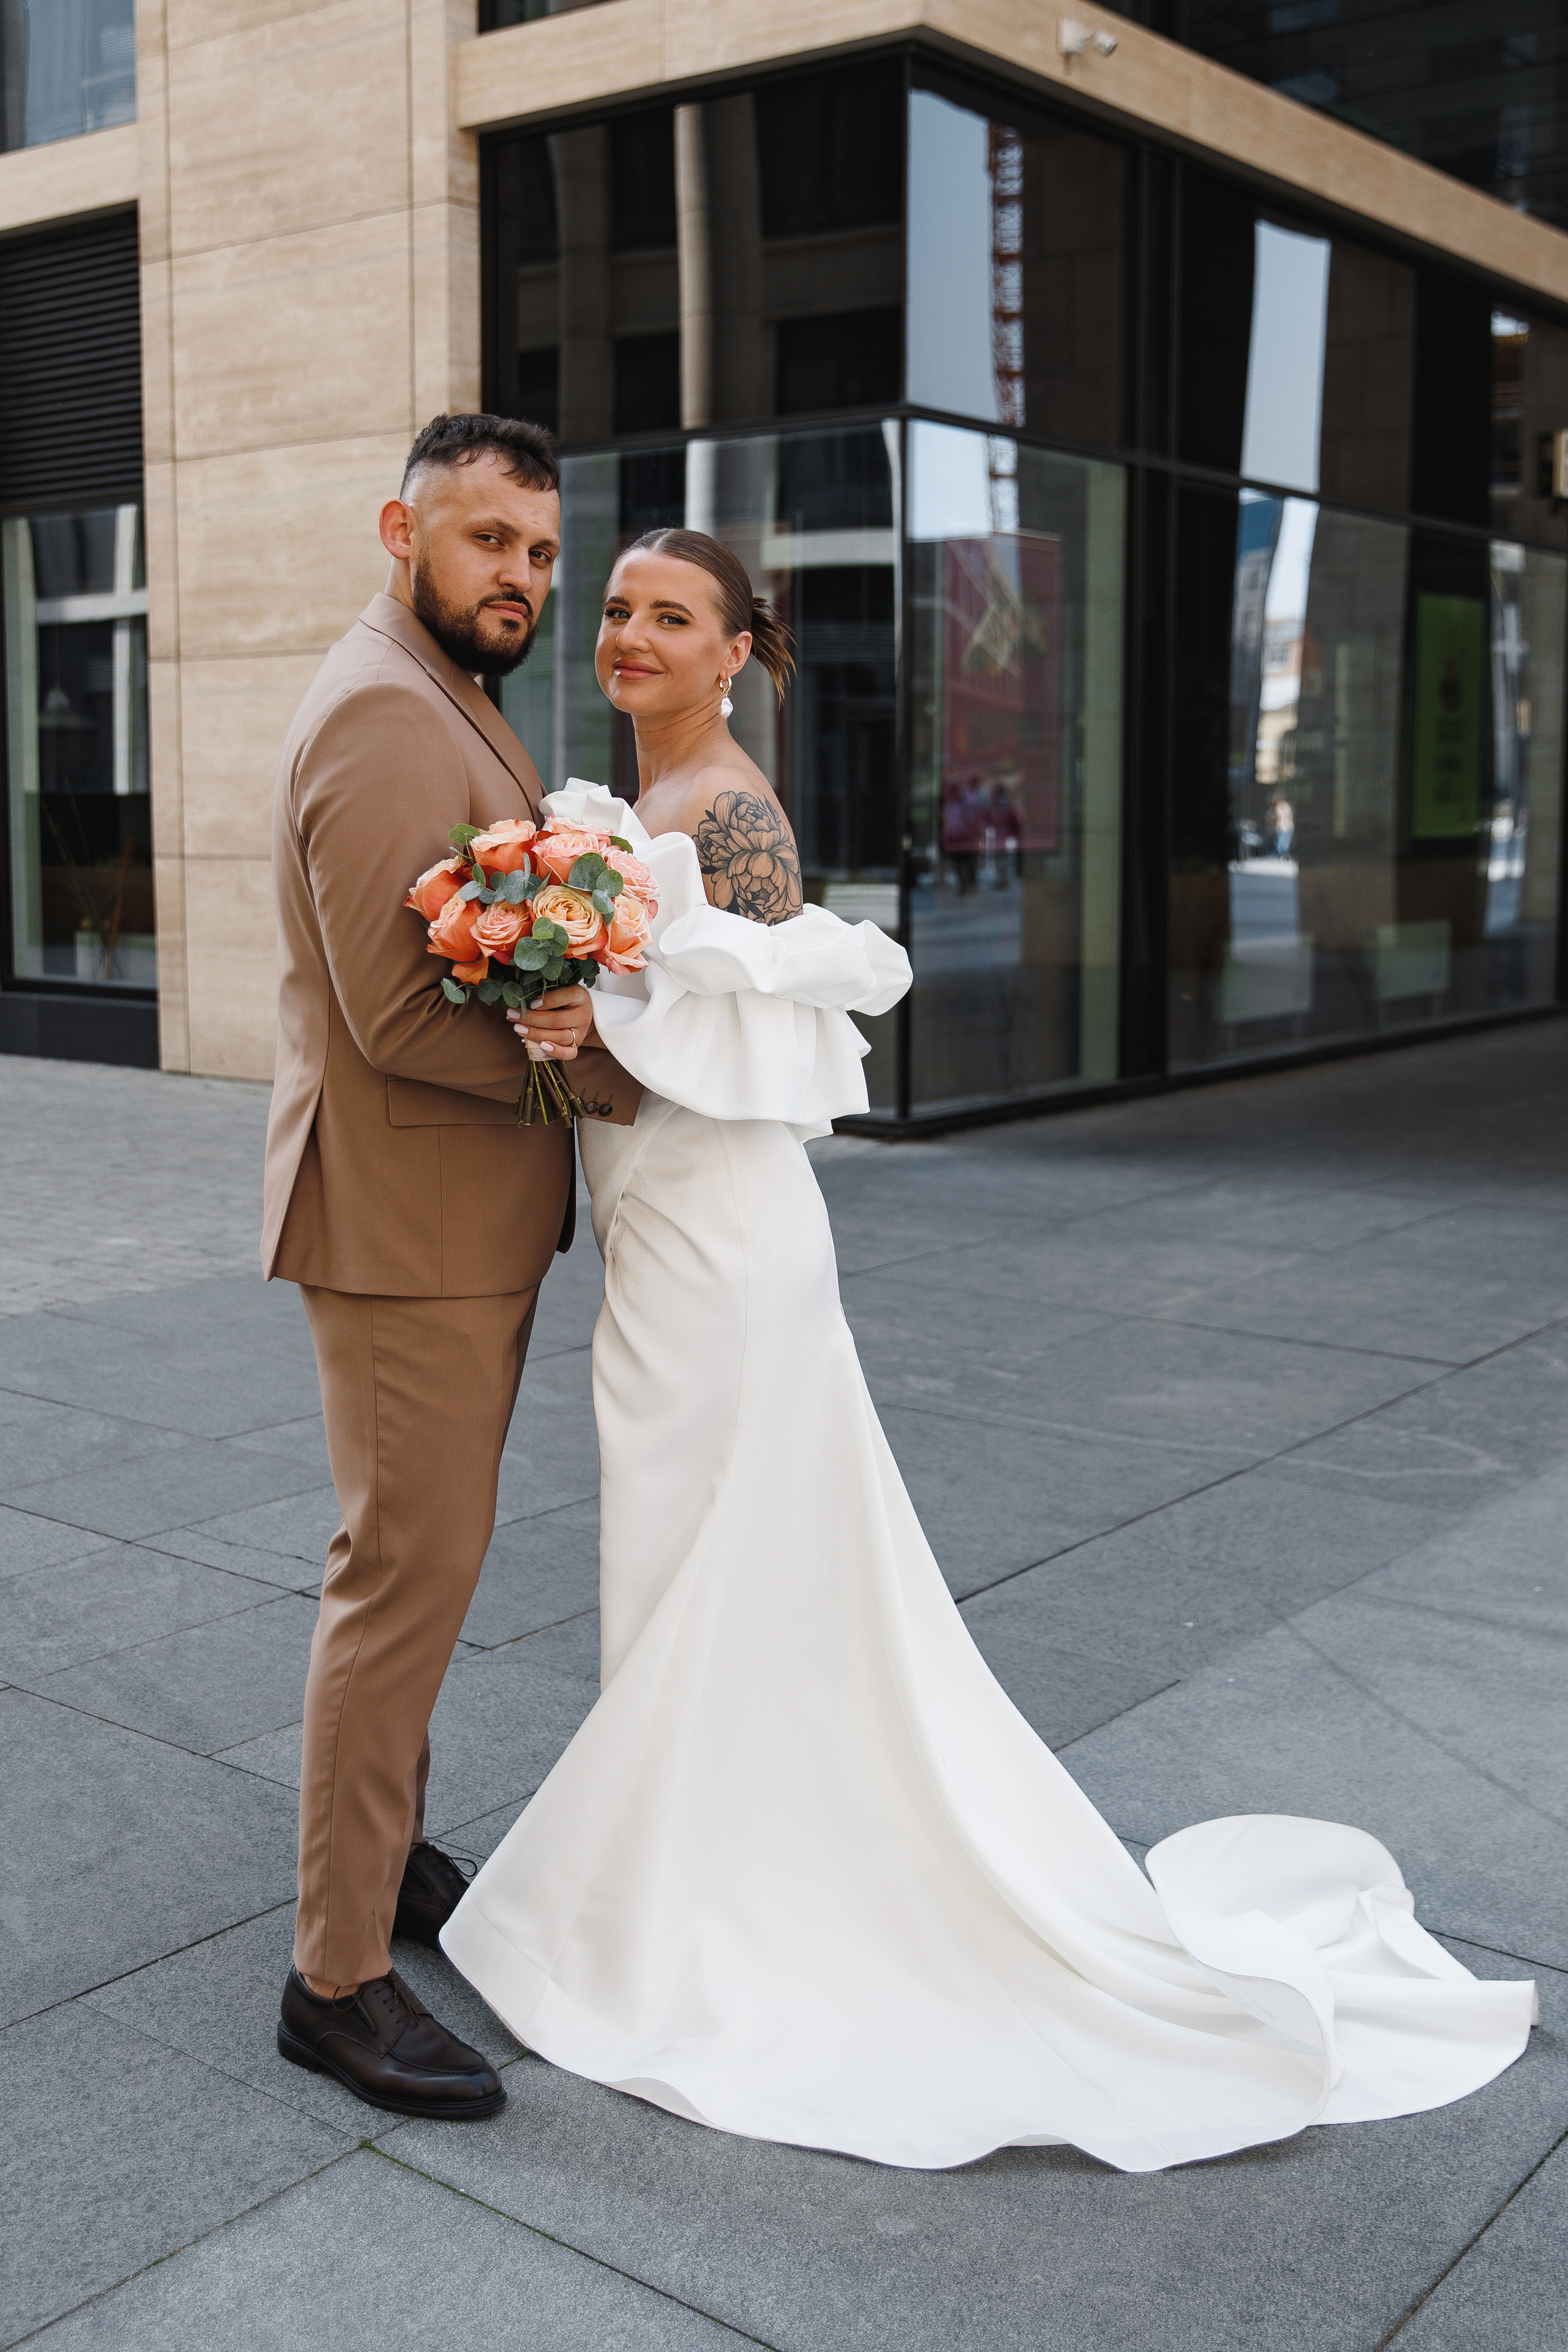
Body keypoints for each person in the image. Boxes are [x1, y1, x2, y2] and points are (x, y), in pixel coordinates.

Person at [442, 525, 1535, 2173]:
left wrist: (572, 1028)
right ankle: (706, 1867)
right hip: (671, 1237)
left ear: (738, 650)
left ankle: (699, 1903)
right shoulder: (633, 811)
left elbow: (726, 1063)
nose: (631, 637)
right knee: (699, 1565)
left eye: (673, 619)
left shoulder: (727, 815)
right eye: (618, 610)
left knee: (715, 1559)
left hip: (723, 1242)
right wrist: (561, 1001)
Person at [263, 413, 628, 2119]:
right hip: (409, 1232)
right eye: (492, 543)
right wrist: (604, 1069)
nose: (523, 580)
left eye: (542, 553)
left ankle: (384, 1849)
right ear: (405, 527)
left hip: (452, 1222)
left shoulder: (442, 688)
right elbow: (400, 1020)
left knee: (422, 1580)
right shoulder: (379, 712)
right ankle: (334, 1979)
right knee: (400, 1584)